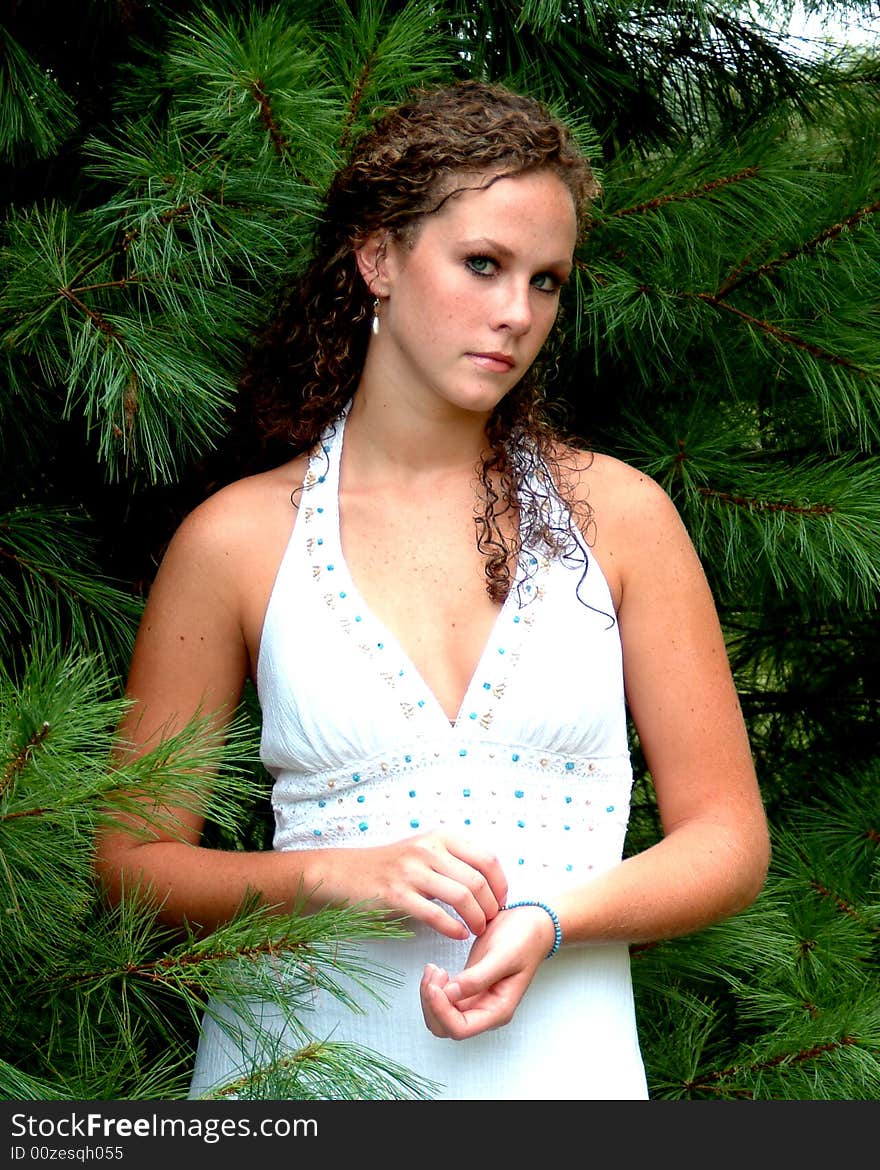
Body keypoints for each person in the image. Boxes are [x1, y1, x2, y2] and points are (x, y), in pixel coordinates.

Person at [94, 79, 770, 1101]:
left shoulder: (620, 519)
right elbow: (129, 862)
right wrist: (325, 877)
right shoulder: (234, 540)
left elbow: (728, 840)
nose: (515, 312)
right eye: (483, 265)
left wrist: (550, 919)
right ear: (378, 257)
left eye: (546, 281)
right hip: (293, 1082)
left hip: (564, 1074)